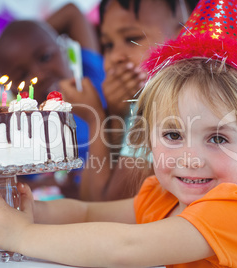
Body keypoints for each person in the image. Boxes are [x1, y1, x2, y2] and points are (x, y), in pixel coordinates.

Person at [0, 1, 237, 266]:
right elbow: (89, 212)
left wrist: (24, 235)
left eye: (217, 139)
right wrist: (35, 212)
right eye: (173, 135)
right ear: (148, 137)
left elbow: (126, 248)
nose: (191, 158)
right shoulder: (163, 195)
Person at [61, 0, 199, 201]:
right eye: (108, 45)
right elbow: (88, 199)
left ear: (183, 36)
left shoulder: (170, 108)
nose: (115, 56)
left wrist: (96, 118)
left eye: (132, 39)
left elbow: (104, 208)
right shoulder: (134, 104)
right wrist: (116, 113)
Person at [0, 4, 106, 196]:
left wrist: (34, 32)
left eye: (44, 56)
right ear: (12, 90)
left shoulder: (91, 76)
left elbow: (72, 13)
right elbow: (14, 182)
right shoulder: (28, 128)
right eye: (23, 74)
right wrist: (53, 184)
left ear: (63, 49)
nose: (39, 75)